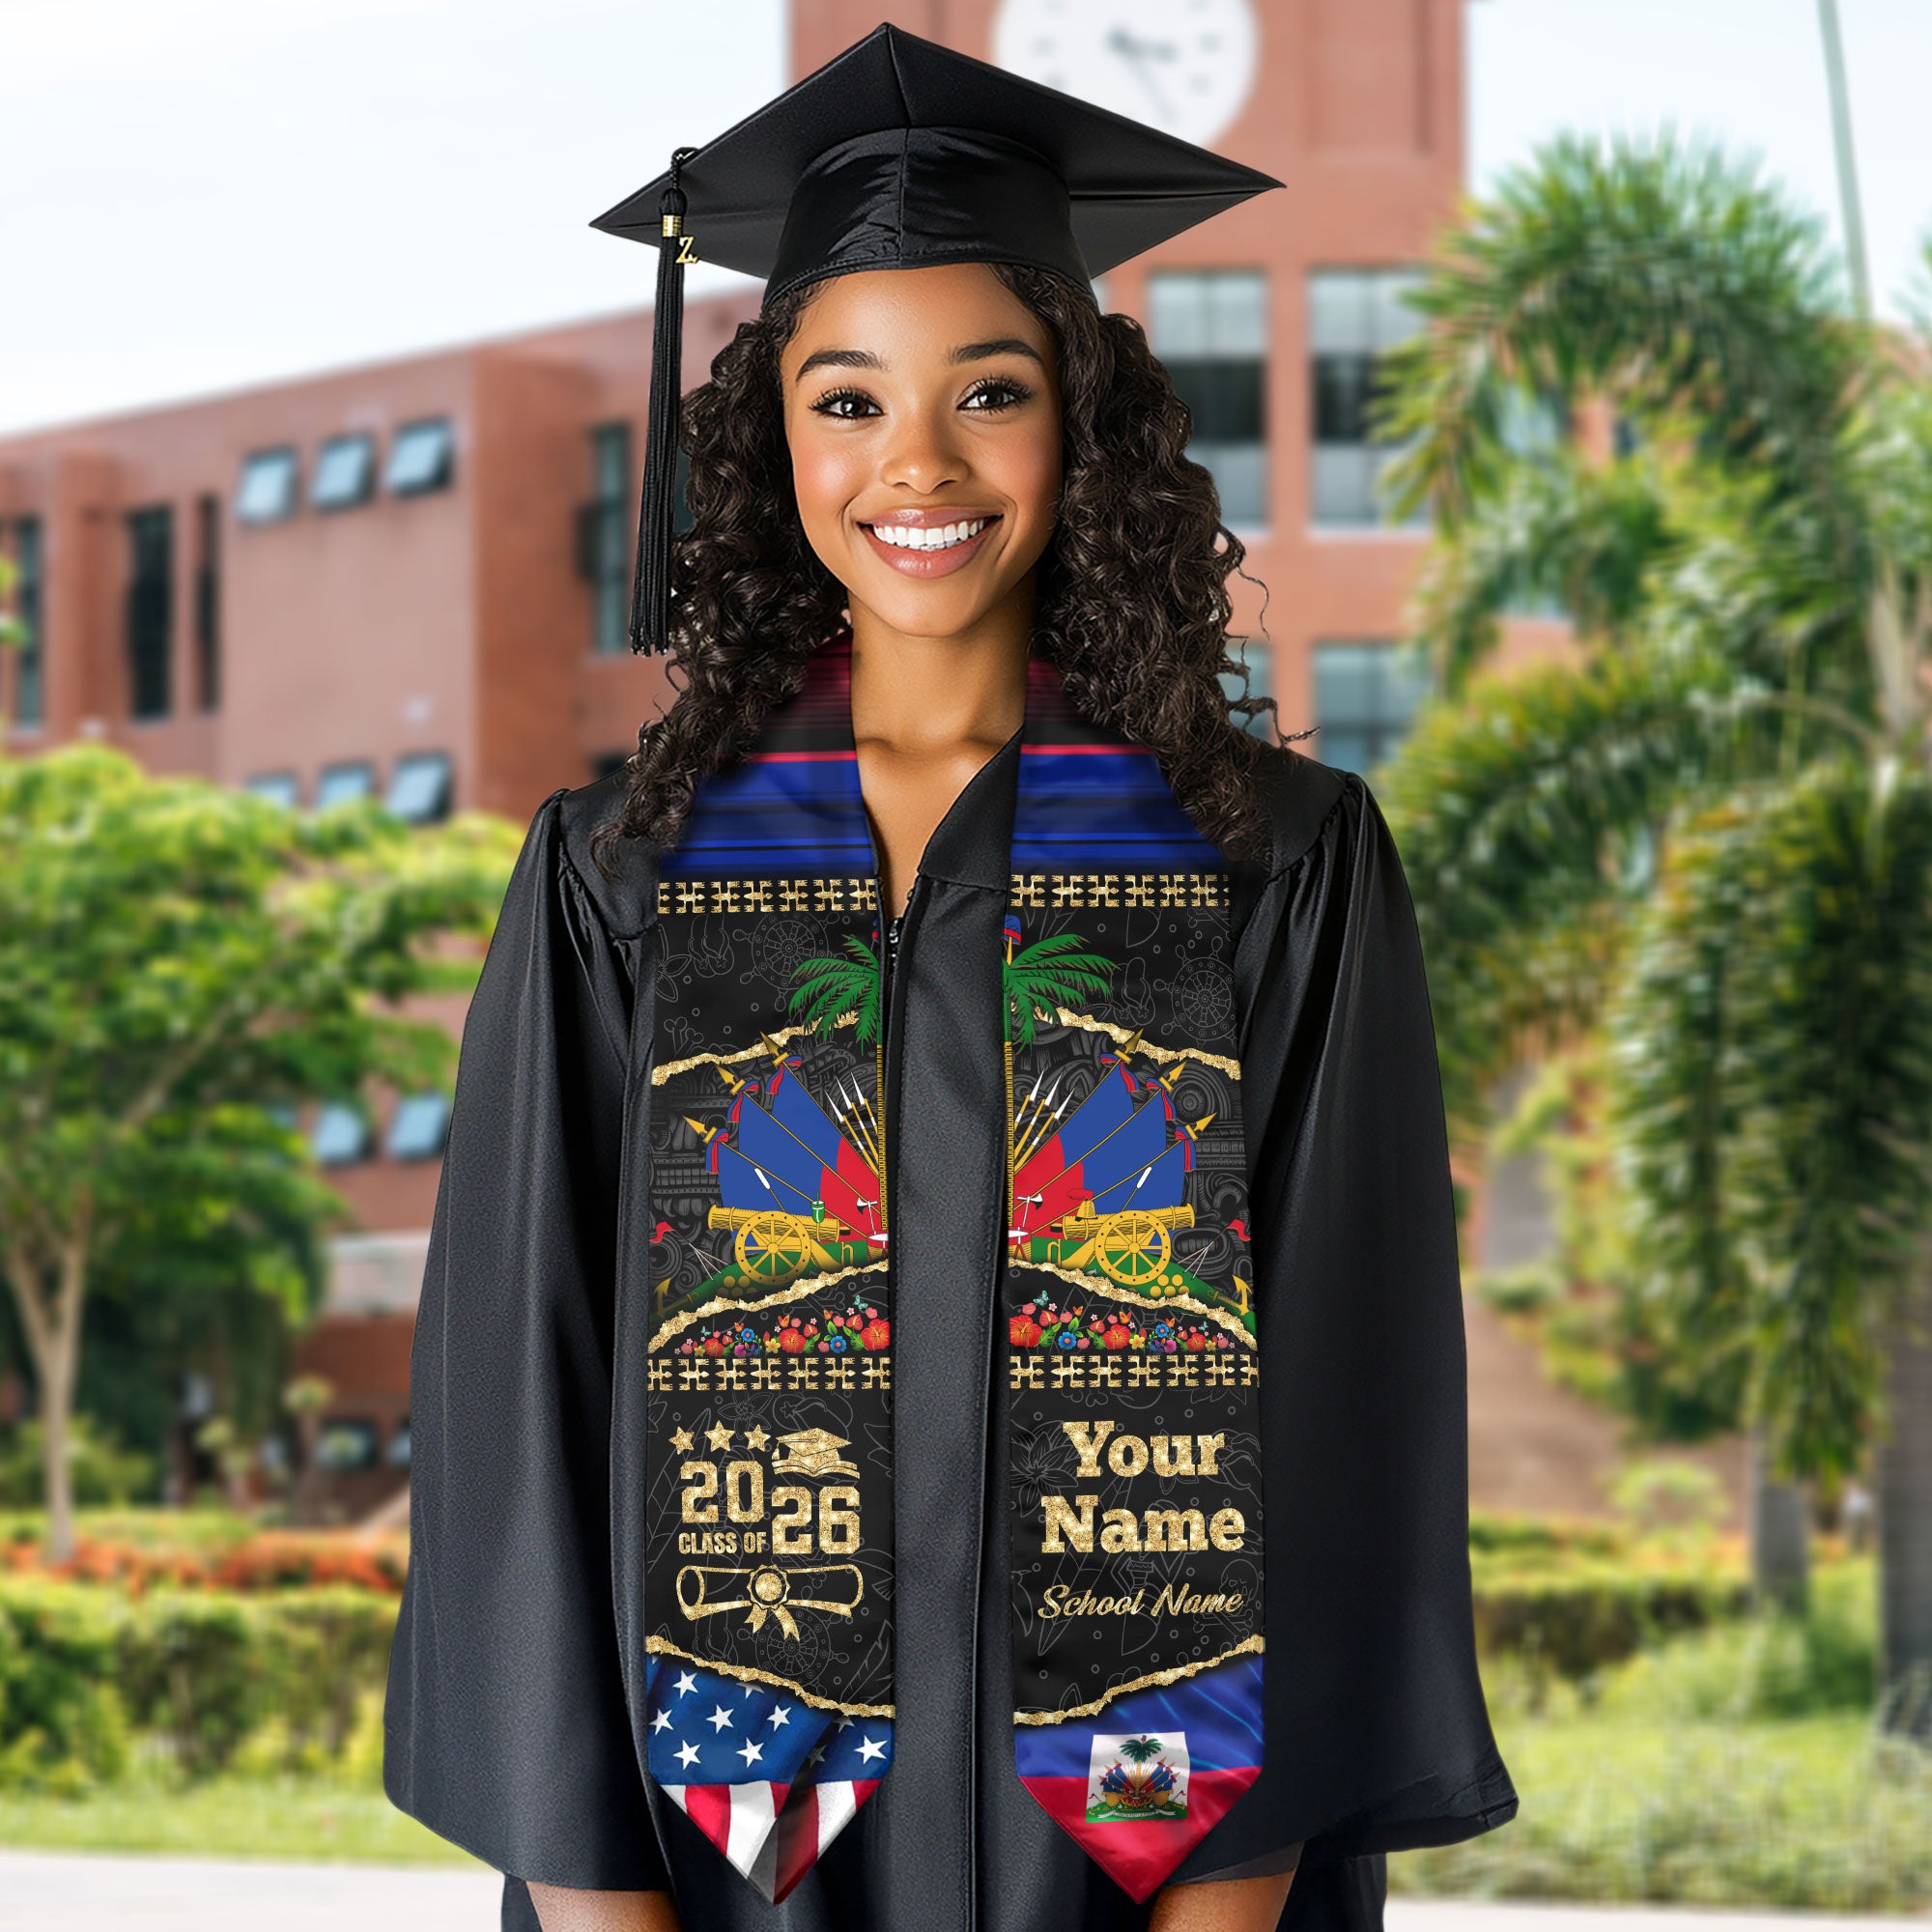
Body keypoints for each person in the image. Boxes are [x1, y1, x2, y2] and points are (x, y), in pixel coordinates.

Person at [383, 25, 1519, 1932]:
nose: (916, 462)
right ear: (772, 444)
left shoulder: (1275, 862)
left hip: (1145, 1860)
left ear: (1083, 420)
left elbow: (1347, 1427)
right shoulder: (621, 878)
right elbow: (518, 1425)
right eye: (847, 400)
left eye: (989, 390)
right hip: (718, 1867)